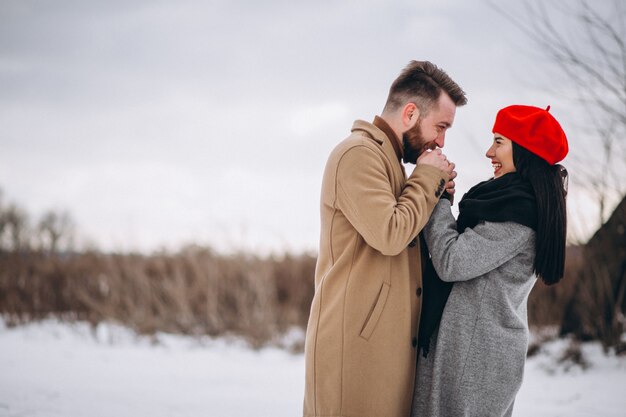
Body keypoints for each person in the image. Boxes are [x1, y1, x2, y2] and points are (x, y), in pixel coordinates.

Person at [303, 60, 467, 417]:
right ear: (410, 112)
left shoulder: (390, 162)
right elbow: (391, 234)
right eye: (440, 127)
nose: (441, 141)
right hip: (354, 354)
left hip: (384, 352)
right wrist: (425, 180)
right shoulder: (358, 154)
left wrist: (434, 192)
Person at [412, 104, 569, 417]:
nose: (488, 152)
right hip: (476, 347)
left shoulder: (518, 215)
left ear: (524, 150)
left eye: (499, 142)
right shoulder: (510, 203)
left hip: (474, 357)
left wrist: (438, 198)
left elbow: (451, 261)